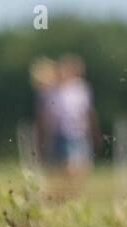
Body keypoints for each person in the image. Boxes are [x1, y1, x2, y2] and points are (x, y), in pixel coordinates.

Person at [30, 54, 100, 197]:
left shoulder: (81, 88)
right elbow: (43, 117)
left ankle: (69, 195)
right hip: (60, 133)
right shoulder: (50, 91)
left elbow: (88, 113)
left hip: (79, 133)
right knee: (66, 168)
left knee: (82, 168)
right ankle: (62, 196)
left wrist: (93, 133)